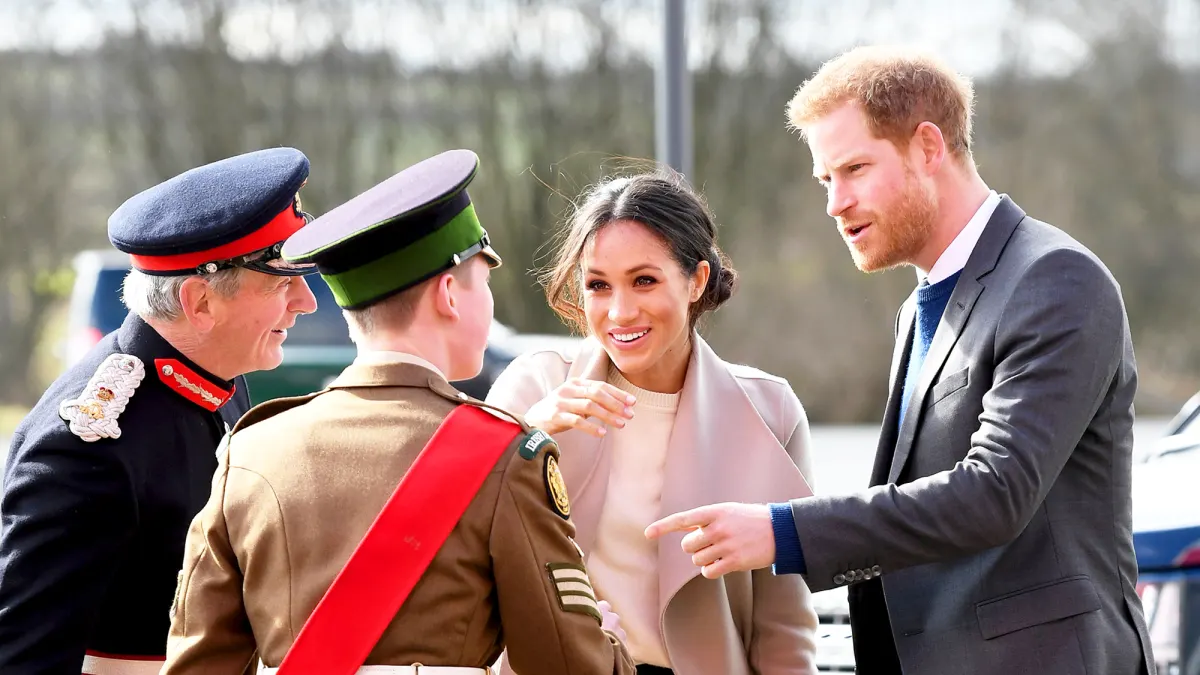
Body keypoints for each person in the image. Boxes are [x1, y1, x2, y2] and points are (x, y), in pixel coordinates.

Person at [646, 45, 1156, 675]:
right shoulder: (918, 309)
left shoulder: (1055, 279)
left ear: (928, 147)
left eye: (855, 169)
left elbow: (996, 492)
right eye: (826, 180)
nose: (835, 202)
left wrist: (783, 532)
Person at [161, 148, 636, 675]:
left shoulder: (249, 451)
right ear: (450, 294)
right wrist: (608, 647)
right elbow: (567, 666)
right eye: (485, 282)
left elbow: (197, 664)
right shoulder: (506, 455)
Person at [485, 169, 819, 675]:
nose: (620, 312)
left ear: (696, 280)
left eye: (644, 280)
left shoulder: (768, 411)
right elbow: (464, 552)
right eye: (598, 285)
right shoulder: (535, 388)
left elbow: (783, 621)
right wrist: (526, 440)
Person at [0, 147, 320, 674]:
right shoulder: (87, 449)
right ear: (200, 303)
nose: (305, 302)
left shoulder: (217, 379)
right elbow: (26, 660)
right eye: (282, 282)